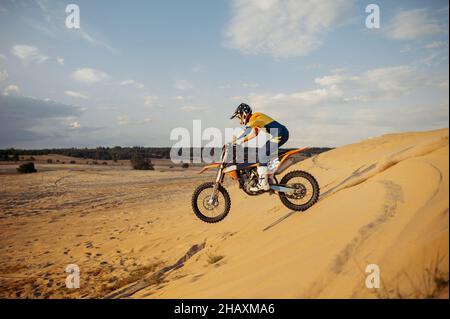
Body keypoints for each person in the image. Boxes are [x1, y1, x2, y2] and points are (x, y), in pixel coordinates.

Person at [230, 103, 289, 191]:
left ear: (244, 114)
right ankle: (270, 179)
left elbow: (247, 131)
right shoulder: (255, 120)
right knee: (264, 154)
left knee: (262, 153)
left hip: (280, 133)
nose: (240, 120)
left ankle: (263, 183)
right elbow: (253, 134)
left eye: (239, 116)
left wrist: (236, 139)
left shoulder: (255, 117)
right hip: (281, 133)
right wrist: (240, 141)